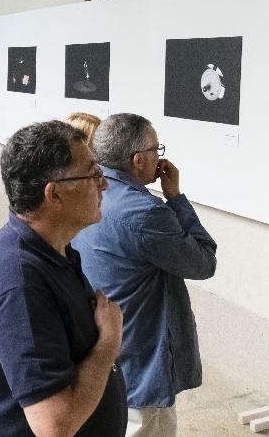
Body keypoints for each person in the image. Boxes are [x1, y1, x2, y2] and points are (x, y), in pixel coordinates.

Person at [0, 120, 127, 436]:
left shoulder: (52, 249)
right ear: (53, 195)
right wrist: (108, 343)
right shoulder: (20, 286)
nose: (104, 184)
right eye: (93, 173)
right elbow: (55, 426)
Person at [72, 113, 217, 437]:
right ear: (138, 160)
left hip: (101, 344)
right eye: (156, 149)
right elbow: (204, 262)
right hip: (141, 355)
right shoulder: (146, 213)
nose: (160, 156)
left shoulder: (88, 193)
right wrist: (176, 197)